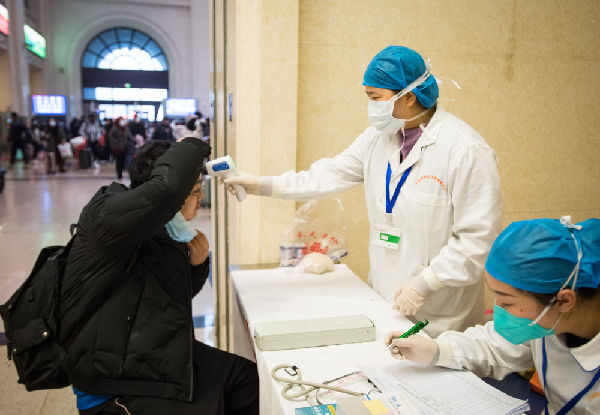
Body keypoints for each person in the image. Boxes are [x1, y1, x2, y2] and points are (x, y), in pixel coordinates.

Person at [224, 45, 502, 336]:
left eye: (375, 98)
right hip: (384, 300)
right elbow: (327, 175)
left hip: (441, 316)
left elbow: (477, 242)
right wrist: (261, 184)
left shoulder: (466, 151)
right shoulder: (379, 138)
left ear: (408, 97)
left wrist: (425, 283)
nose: (371, 107)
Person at [59, 138, 259, 415]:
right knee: (211, 401)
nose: (200, 200)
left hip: (152, 352)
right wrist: (195, 145)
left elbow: (167, 299)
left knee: (247, 382)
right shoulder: (107, 215)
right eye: (196, 191)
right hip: (112, 379)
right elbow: (168, 186)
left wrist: (197, 264)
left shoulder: (169, 231)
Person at [385, 216, 600, 415]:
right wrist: (436, 349)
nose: (498, 309)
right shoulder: (547, 320)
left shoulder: (548, 316)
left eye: (507, 302)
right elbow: (495, 344)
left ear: (564, 301)